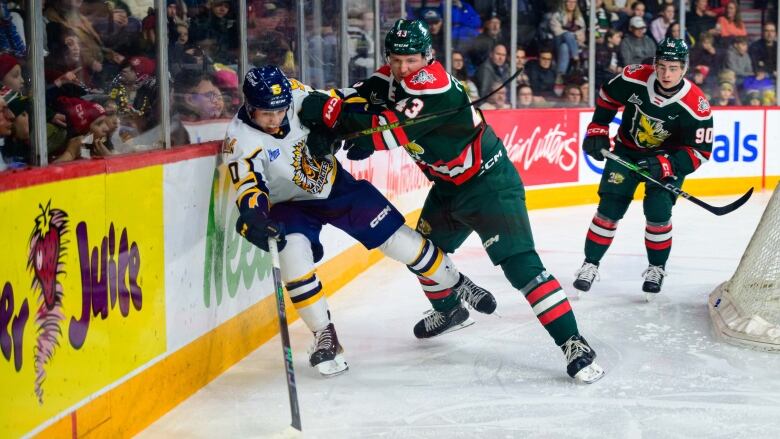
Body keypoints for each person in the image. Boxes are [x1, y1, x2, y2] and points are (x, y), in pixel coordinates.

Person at [300, 19, 604, 384]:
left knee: (522, 267)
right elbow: (355, 98)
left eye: (411, 60)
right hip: (448, 188)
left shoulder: (434, 85)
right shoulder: (390, 79)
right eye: (396, 60)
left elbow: (387, 131)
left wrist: (335, 119)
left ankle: (574, 342)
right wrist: (323, 115)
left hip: (489, 185)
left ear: (426, 57)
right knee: (422, 253)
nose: (403, 68)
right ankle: (449, 311)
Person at [224, 66, 496, 376]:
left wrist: (334, 133)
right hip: (288, 206)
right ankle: (324, 335)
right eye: (265, 113)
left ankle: (458, 284)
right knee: (293, 259)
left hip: (335, 187)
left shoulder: (297, 94)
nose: (275, 119)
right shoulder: (240, 139)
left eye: (280, 110)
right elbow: (249, 187)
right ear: (248, 105)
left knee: (398, 239)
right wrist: (255, 217)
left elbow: (341, 106)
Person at [574, 38, 713, 300]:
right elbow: (607, 95)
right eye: (661, 66)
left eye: (673, 68)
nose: (666, 74)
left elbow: (700, 152)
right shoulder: (634, 77)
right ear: (654, 63)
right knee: (609, 210)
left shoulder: (696, 105)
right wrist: (598, 127)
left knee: (658, 213)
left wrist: (665, 164)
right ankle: (590, 264)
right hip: (627, 151)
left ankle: (656, 268)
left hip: (666, 160)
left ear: (684, 68)